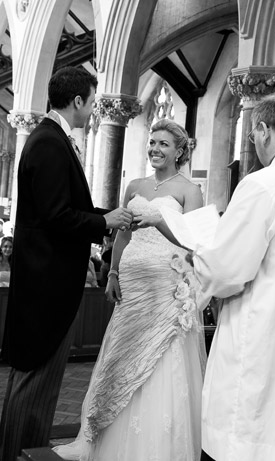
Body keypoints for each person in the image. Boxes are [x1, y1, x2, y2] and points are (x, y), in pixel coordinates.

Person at [0, 66, 133, 461]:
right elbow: (57, 215)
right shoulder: (48, 142)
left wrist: (110, 214)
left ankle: (26, 450)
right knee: (34, 382)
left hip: (46, 284)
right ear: (77, 101)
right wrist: (103, 222)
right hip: (46, 287)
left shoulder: (51, 138)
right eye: (92, 102)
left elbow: (64, 207)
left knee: (39, 384)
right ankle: (16, 454)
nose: (94, 110)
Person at [53, 119, 206, 460]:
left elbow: (193, 243)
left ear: (179, 151)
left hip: (166, 286)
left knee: (161, 361)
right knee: (119, 354)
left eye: (163, 144)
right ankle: (101, 436)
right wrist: (113, 273)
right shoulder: (135, 185)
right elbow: (122, 232)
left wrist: (161, 222)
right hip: (132, 286)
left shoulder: (189, 191)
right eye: (152, 142)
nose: (154, 148)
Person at [191, 93, 275, 460]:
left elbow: (225, 271)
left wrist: (198, 250)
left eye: (255, 134)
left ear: (262, 130)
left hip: (260, 334)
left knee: (246, 435)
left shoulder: (264, 183)